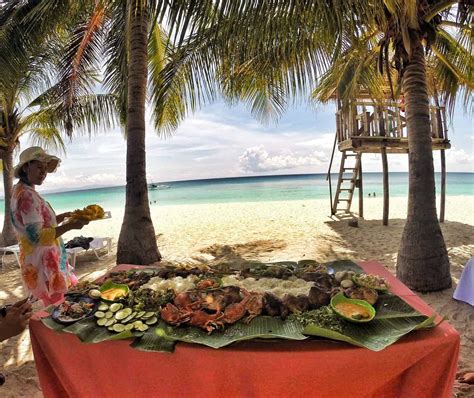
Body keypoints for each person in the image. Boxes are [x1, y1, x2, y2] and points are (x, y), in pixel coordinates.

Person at [10, 147, 89, 305]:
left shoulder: (20, 190)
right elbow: (36, 237)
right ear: (26, 167)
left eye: (45, 169)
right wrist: (70, 226)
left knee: (65, 303)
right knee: (59, 309)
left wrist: (62, 217)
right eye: (39, 167)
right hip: (45, 265)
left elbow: (36, 225)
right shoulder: (26, 195)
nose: (44, 173)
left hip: (39, 261)